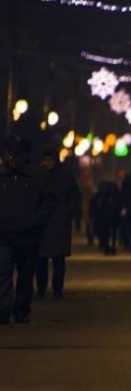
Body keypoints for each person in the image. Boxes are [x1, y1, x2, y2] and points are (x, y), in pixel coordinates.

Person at [0, 136, 54, 323]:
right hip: (4, 234)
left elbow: (47, 202)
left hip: (28, 235)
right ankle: (3, 310)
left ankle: (21, 310)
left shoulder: (37, 176)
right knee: (3, 272)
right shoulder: (3, 174)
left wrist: (36, 222)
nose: (13, 157)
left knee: (25, 276)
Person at [35, 145, 81, 299]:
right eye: (44, 160)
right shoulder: (38, 175)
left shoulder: (65, 176)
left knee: (58, 258)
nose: (46, 163)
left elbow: (75, 196)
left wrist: (69, 212)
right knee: (40, 258)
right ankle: (41, 287)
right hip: (42, 222)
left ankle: (57, 288)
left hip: (59, 221)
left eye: (49, 160)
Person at [92, 181, 123, 256]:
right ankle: (113, 246)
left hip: (104, 217)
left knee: (106, 232)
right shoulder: (118, 195)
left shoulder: (101, 196)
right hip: (115, 217)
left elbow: (96, 207)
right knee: (114, 233)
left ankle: (106, 247)